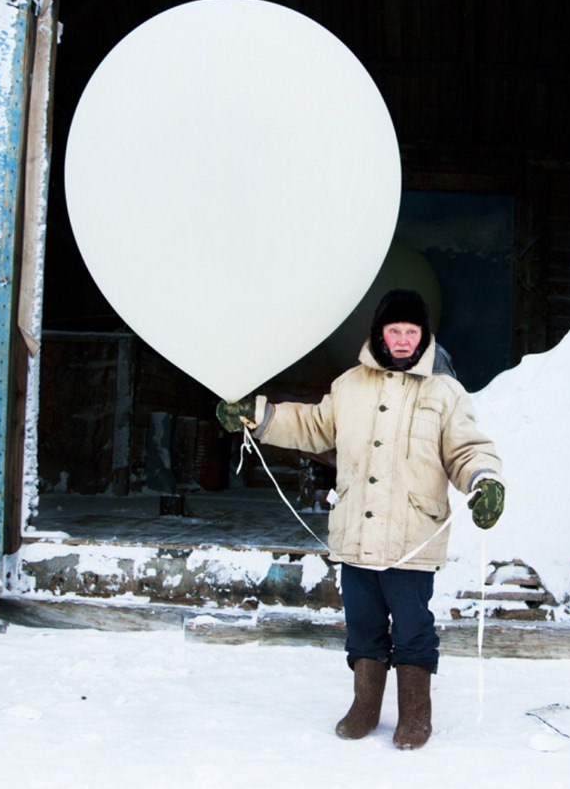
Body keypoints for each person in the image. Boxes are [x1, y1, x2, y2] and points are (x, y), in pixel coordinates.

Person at [216, 288, 505, 750]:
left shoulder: (445, 392)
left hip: (412, 539)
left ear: (424, 335)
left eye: (412, 331)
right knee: (363, 627)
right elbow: (313, 426)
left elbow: (467, 450)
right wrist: (259, 416)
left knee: (412, 630)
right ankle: (365, 706)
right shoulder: (349, 385)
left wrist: (484, 481)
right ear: (379, 333)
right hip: (356, 535)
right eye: (396, 330)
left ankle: (415, 714)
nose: (404, 340)